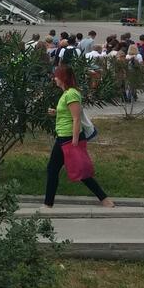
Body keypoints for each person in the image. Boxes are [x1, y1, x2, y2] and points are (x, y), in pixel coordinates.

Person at [44, 65, 114, 208]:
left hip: (68, 138)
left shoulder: (71, 94)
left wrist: (75, 141)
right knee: (62, 169)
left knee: (74, 169)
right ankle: (104, 199)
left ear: (63, 78)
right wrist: (56, 113)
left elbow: (76, 118)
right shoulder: (68, 93)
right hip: (64, 136)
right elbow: (69, 113)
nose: (54, 78)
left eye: (56, 76)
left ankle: (48, 205)